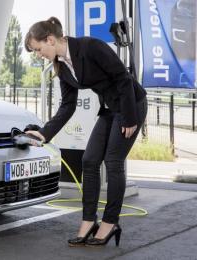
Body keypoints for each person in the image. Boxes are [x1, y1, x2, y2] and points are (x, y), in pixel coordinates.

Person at [23, 17, 147, 247]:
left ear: (50, 39)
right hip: (110, 109)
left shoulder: (90, 46)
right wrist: (43, 134)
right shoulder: (62, 66)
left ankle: (110, 223)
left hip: (131, 104)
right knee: (89, 161)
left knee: (113, 161)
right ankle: (89, 221)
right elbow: (67, 106)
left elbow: (123, 77)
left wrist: (130, 116)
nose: (39, 55)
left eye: (39, 49)